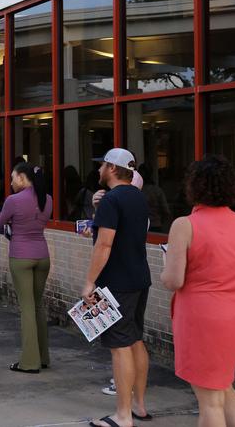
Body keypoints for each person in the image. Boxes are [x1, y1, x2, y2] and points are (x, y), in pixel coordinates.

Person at [161, 155, 235, 427]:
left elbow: (173, 280)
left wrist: (165, 264)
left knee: (210, 401)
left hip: (202, 318)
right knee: (224, 388)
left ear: (194, 185)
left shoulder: (185, 225)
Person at [83, 148, 152, 427]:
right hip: (139, 278)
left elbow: (105, 244)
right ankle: (139, 406)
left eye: (102, 165)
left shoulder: (113, 199)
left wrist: (89, 282)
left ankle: (123, 416)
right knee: (135, 340)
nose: (98, 170)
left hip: (117, 283)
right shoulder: (137, 196)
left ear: (112, 168)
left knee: (119, 346)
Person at [0, 162, 53, 373]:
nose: (11, 182)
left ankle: (29, 362)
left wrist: (11, 228)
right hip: (43, 255)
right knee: (38, 306)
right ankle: (43, 356)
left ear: (21, 177)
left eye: (13, 178)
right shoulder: (48, 199)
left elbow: (0, 226)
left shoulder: (13, 200)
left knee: (27, 308)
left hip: (21, 255)